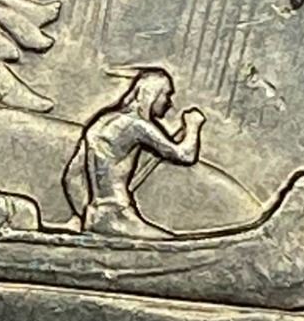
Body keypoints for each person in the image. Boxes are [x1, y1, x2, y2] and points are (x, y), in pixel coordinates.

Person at [65, 66, 205, 238]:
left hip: (95, 216)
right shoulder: (136, 125)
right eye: (166, 94)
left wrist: (88, 215)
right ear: (152, 94)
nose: (169, 102)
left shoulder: (100, 123)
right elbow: (185, 156)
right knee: (170, 242)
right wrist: (193, 126)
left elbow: (72, 177)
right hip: (118, 216)